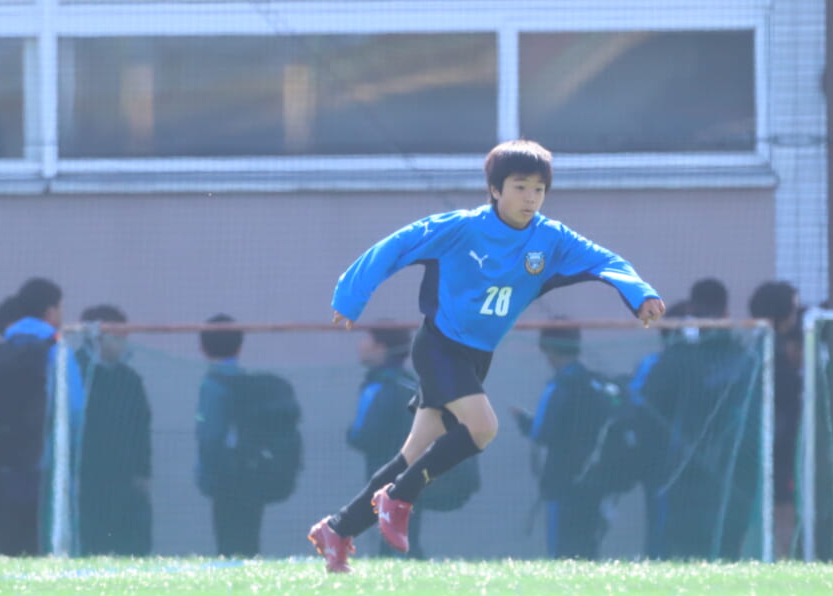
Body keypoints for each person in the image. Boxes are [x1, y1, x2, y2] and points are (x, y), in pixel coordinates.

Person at [308, 139, 665, 572]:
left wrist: (640, 293)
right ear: (495, 190)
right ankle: (398, 498)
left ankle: (338, 529)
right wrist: (351, 296)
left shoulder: (550, 239)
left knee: (413, 453)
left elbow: (604, 260)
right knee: (483, 428)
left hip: (477, 357)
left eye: (539, 189)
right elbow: (395, 246)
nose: (530, 198)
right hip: (440, 347)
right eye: (520, 187)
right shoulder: (461, 228)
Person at [638, 277, 760, 560]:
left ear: (691, 309)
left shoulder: (677, 359)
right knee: (724, 547)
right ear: (726, 313)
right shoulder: (744, 358)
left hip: (683, 472)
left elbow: (647, 409)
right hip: (730, 471)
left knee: (678, 548)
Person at [0, 277, 84, 556]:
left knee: (6, 544)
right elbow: (74, 406)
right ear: (50, 311)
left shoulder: (1, 349)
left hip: (0, 463)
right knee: (40, 542)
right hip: (43, 461)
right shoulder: (57, 349)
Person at [195, 314, 303, 557]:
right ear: (240, 347)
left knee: (228, 544)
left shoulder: (213, 386)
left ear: (202, 347)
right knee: (249, 540)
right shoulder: (250, 387)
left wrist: (208, 475)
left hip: (224, 479)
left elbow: (210, 436)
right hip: (253, 473)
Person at [513, 324, 613, 559]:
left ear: (548, 349)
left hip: (561, 480)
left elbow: (541, 432)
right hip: (594, 478)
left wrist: (523, 421)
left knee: (562, 549)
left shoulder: (559, 386)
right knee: (588, 546)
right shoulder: (596, 384)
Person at [76, 304, 153, 556]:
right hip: (85, 480)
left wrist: (142, 471)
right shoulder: (73, 373)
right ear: (97, 337)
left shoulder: (129, 380)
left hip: (124, 480)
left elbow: (141, 427)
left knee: (132, 547)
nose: (123, 344)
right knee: (91, 547)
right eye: (118, 337)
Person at [346, 325, 424, 558]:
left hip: (385, 470)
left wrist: (351, 435)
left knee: (393, 536)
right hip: (415, 469)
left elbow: (363, 435)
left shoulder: (380, 385)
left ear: (381, 347)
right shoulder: (412, 383)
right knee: (405, 533)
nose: (360, 346)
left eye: (367, 340)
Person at [748, 280, 801, 559]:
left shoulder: (757, 347)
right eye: (793, 308)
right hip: (780, 447)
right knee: (782, 506)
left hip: (773, 445)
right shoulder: (773, 354)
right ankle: (783, 557)